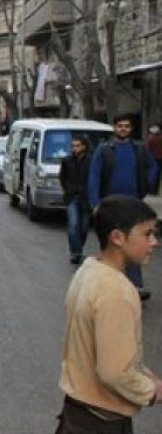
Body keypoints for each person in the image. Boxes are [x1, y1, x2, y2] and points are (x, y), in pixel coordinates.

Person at [56, 195, 162, 434]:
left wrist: (143, 373)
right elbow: (115, 373)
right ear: (117, 237)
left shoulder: (89, 270)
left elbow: (103, 347)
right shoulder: (118, 292)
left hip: (77, 412)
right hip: (101, 422)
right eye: (147, 234)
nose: (154, 242)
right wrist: (151, 391)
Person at [88, 114, 159, 300]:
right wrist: (95, 203)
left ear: (131, 129)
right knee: (111, 244)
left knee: (132, 242)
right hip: (110, 205)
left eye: (127, 126)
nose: (123, 129)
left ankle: (135, 284)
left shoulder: (139, 149)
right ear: (114, 128)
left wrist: (146, 185)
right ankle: (107, 283)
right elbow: (94, 176)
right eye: (120, 126)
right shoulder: (104, 150)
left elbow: (153, 167)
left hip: (133, 204)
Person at [58, 135, 92, 265]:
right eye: (72, 146)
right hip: (72, 197)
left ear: (84, 147)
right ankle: (75, 252)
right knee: (73, 224)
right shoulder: (67, 161)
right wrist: (67, 189)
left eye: (77, 146)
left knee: (84, 227)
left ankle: (79, 247)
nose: (74, 149)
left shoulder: (91, 161)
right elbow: (62, 177)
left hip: (86, 198)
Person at [146, 123, 162, 195]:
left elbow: (148, 149)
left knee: (152, 174)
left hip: (152, 158)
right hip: (159, 158)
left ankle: (151, 190)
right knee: (158, 175)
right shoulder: (160, 138)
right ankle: (155, 190)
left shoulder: (150, 138)